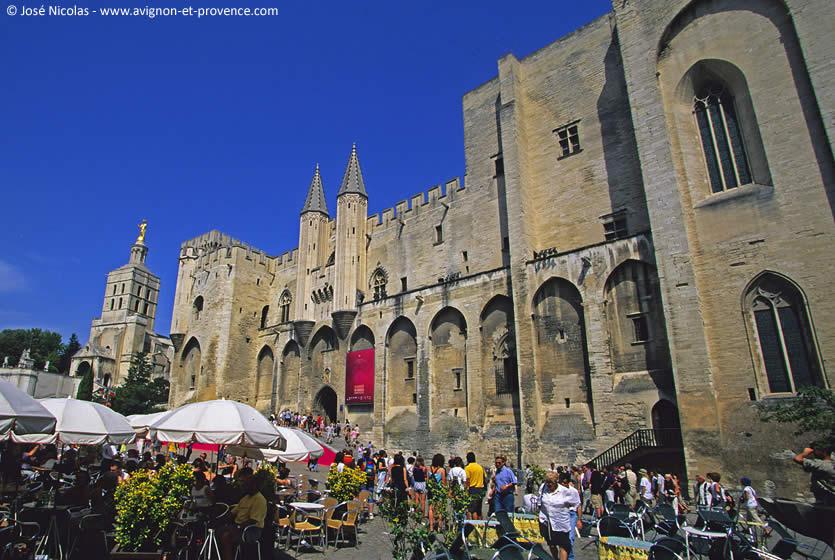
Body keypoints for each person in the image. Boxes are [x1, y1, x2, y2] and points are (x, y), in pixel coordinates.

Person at [220, 477, 267, 560]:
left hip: (251, 530)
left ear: (254, 486)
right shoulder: (245, 498)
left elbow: (253, 520)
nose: (245, 487)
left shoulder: (260, 499)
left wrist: (237, 527)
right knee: (218, 531)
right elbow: (233, 512)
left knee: (226, 536)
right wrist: (222, 519)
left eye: (247, 485)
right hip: (238, 526)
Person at [538, 471, 580, 560]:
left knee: (563, 545)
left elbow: (576, 503)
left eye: (551, 482)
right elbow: (539, 501)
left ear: (556, 481)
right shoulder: (543, 488)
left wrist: (577, 518)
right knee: (551, 544)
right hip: (547, 522)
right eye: (547, 482)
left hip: (561, 522)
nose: (549, 485)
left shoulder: (565, 491)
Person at [464, 452, 485, 520]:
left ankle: (474, 527)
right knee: (479, 510)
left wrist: (466, 490)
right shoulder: (480, 467)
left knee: (473, 510)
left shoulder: (468, 468)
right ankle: (481, 525)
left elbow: (467, 480)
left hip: (473, 489)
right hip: (480, 489)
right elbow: (485, 478)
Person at [428, 454, 447, 530]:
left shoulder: (429, 468)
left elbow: (427, 480)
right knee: (439, 509)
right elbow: (443, 482)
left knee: (430, 508)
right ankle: (439, 526)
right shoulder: (442, 470)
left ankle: (431, 526)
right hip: (439, 491)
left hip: (431, 490)